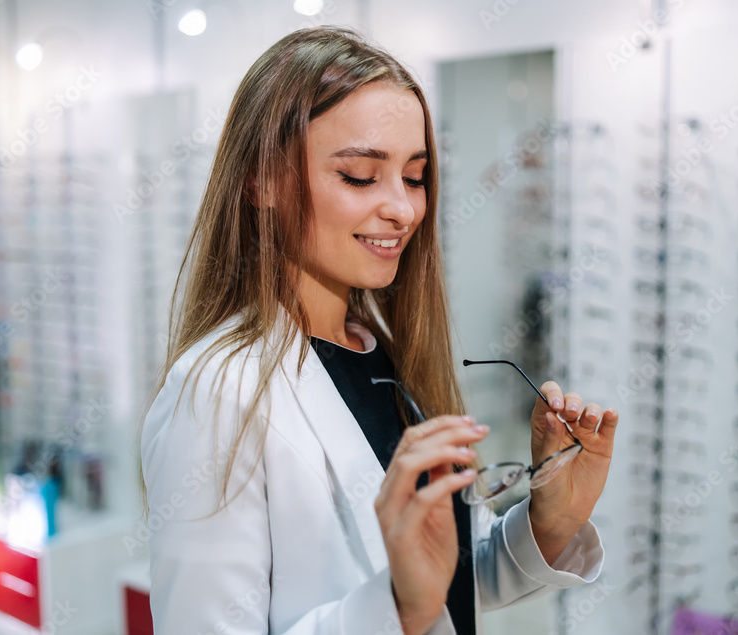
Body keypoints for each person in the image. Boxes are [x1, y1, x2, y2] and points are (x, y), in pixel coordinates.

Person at [137, 24, 619, 635]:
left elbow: (446, 581)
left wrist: (550, 520)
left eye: (414, 176)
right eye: (362, 175)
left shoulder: (378, 351)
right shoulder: (216, 391)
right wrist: (396, 606)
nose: (404, 207)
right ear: (262, 182)